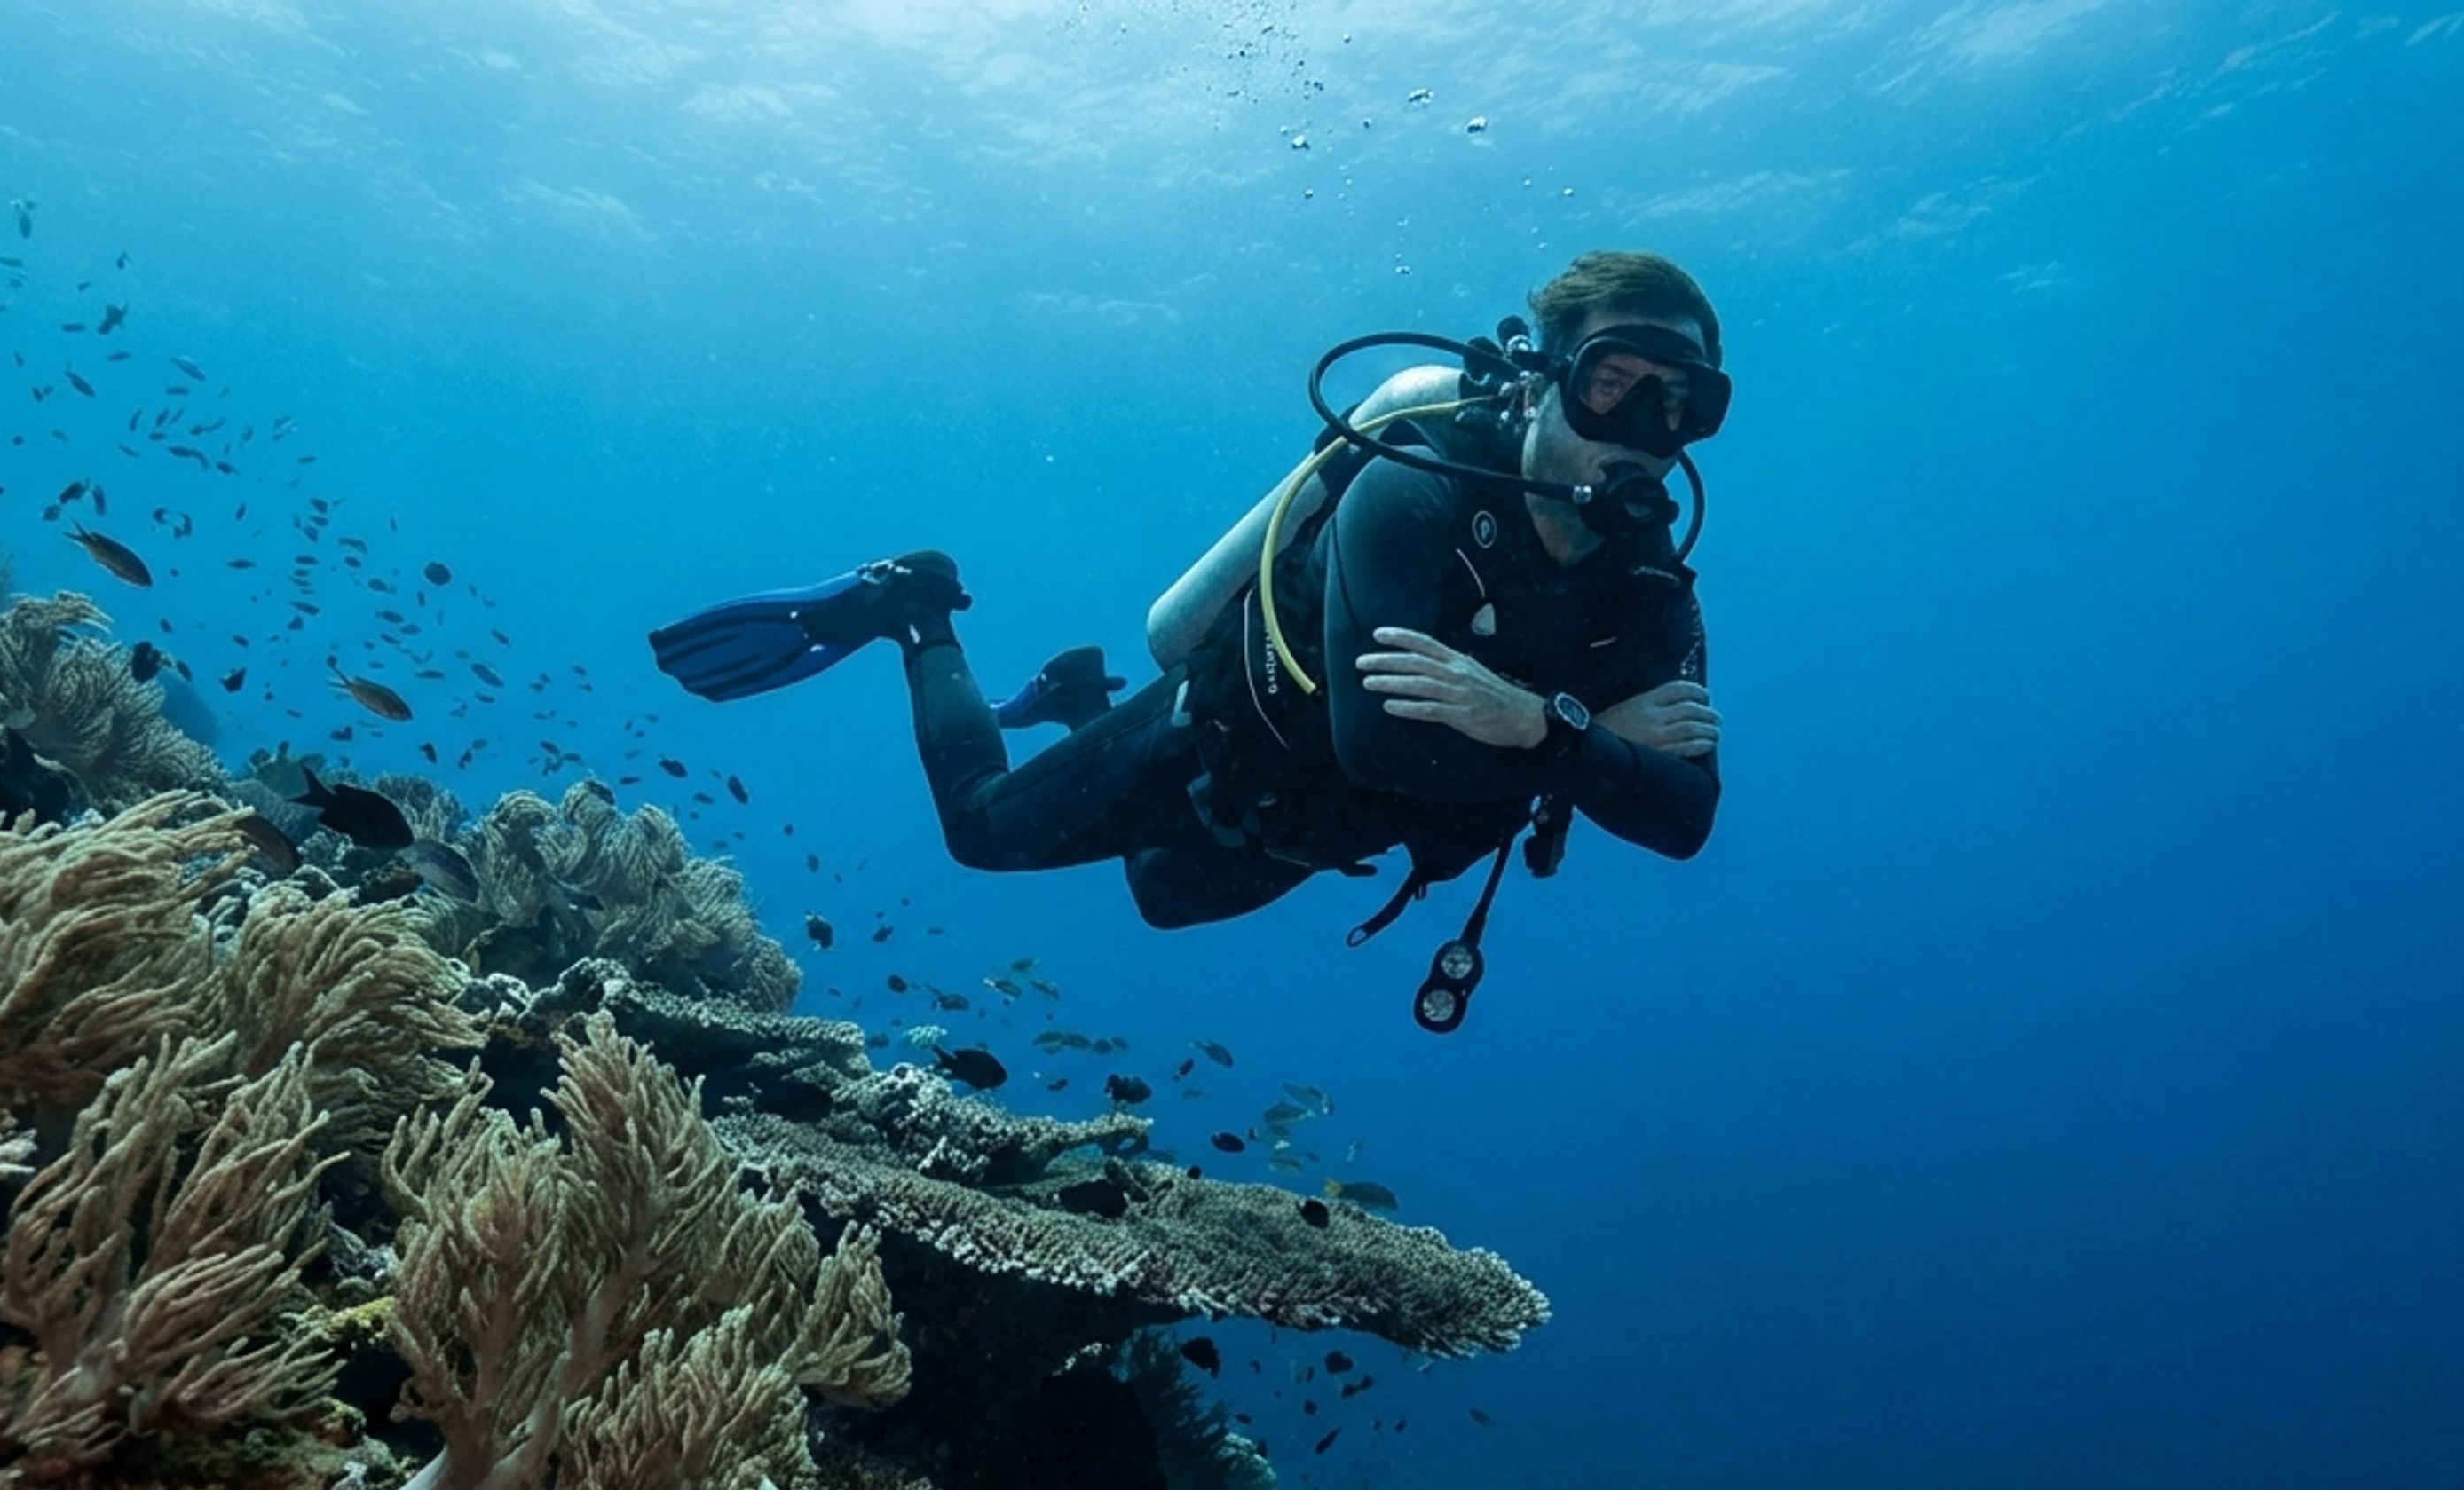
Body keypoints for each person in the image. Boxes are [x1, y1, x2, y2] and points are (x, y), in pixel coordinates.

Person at [651, 250, 1728, 1016]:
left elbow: (1689, 819)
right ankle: (917, 608)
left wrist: (1536, 725)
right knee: (980, 833)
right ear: (1544, 382)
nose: (1644, 437)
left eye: (1683, 406)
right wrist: (1586, 744)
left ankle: (1075, 695)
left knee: (1161, 900)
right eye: (1613, 387)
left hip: (1314, 833)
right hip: (1209, 738)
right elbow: (1380, 742)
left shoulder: (1650, 592)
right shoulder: (1416, 486)